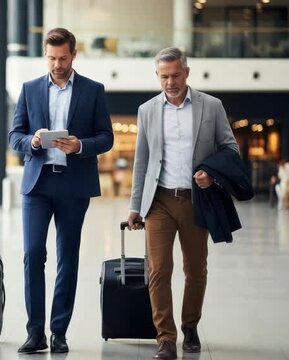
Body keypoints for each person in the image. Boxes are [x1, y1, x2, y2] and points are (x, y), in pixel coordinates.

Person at [126, 47, 239, 360]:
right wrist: (135, 206)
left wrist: (211, 175)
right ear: (157, 76)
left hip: (195, 200)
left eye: (176, 75)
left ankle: (190, 325)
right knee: (158, 270)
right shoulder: (147, 110)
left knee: (196, 269)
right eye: (164, 76)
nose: (170, 82)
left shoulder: (211, 106)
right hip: (159, 200)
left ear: (187, 73)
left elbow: (231, 150)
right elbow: (142, 161)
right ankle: (165, 337)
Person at [9, 28, 113, 354]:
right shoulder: (29, 90)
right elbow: (14, 137)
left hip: (73, 185)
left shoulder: (93, 91)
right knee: (32, 255)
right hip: (37, 185)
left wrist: (80, 145)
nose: (57, 64)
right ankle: (35, 332)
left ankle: (59, 333)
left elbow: (106, 137)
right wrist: (34, 141)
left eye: (62, 58)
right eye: (52, 58)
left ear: (74, 55)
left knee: (68, 258)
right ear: (45, 55)